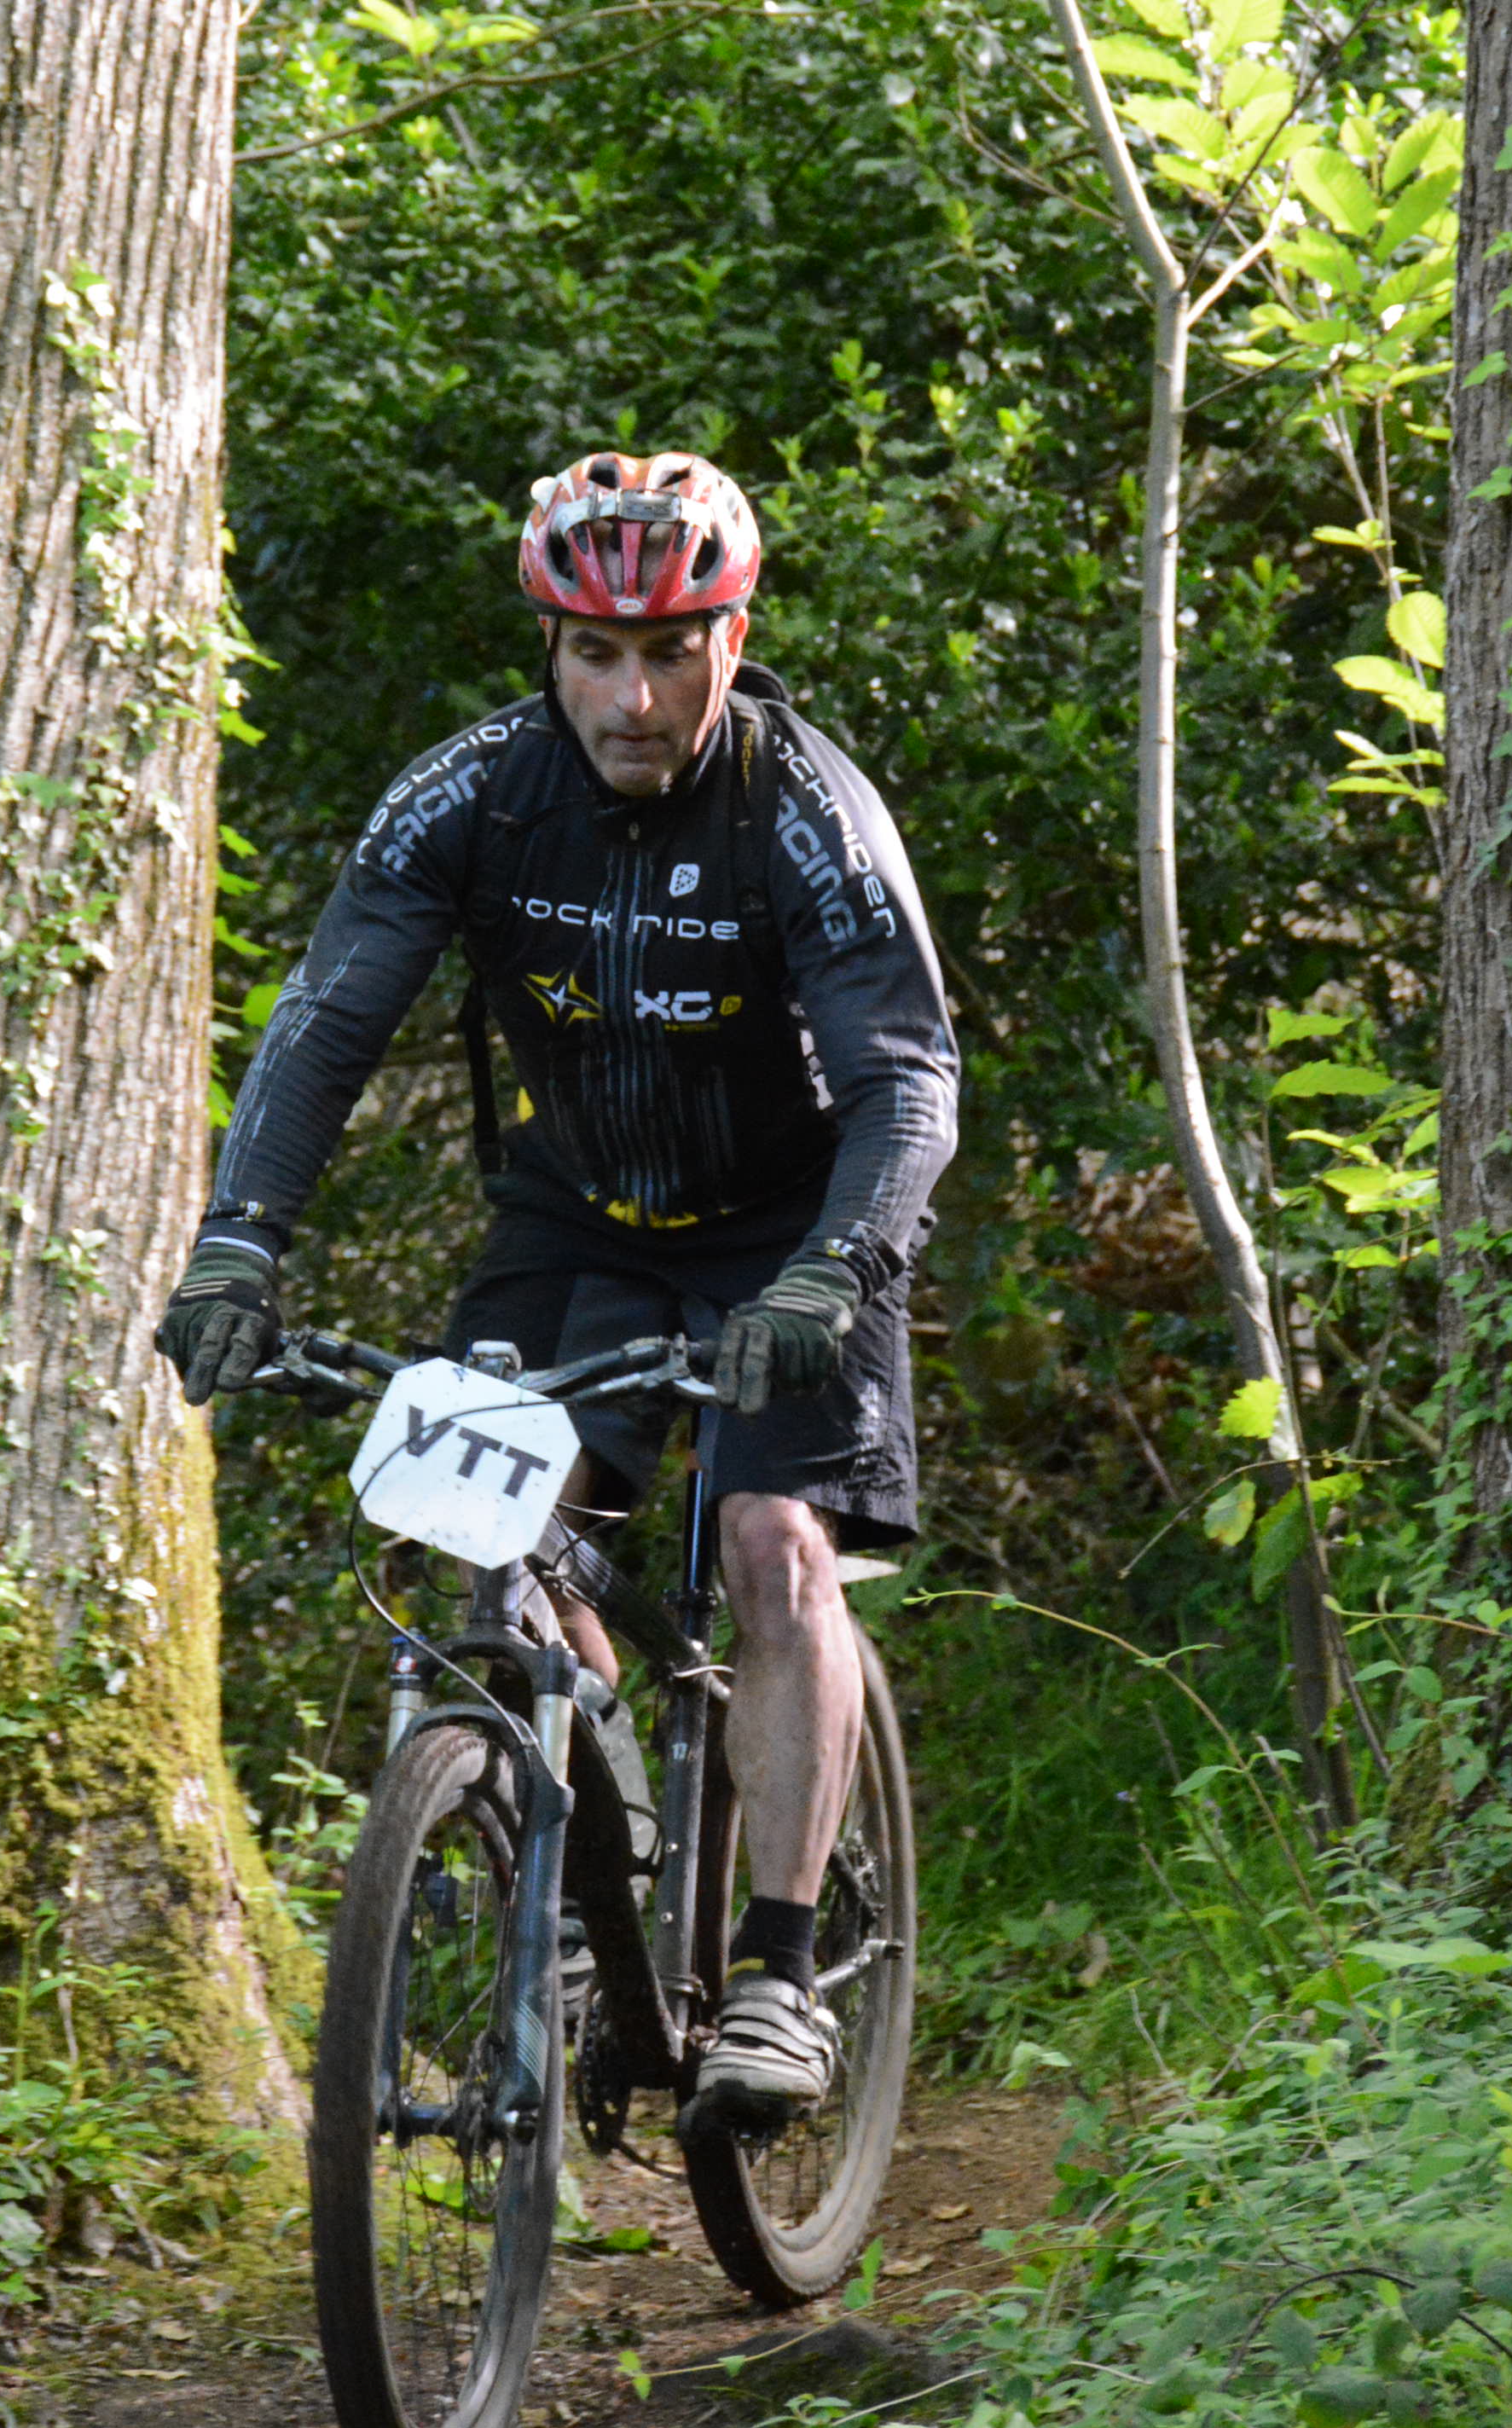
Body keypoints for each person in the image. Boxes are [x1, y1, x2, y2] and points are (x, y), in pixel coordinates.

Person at [153, 450, 957, 2119]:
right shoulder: (471, 796)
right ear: (550, 647)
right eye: (596, 654)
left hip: (798, 1229)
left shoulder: (805, 811)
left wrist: (836, 1271)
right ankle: (594, 1890)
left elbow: (906, 1079)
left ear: (732, 640)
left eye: (670, 652)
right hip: (576, 1218)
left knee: (768, 1542)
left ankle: (778, 1974)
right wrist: (238, 1240)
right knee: (485, 1535)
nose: (632, 699)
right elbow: (325, 1024)